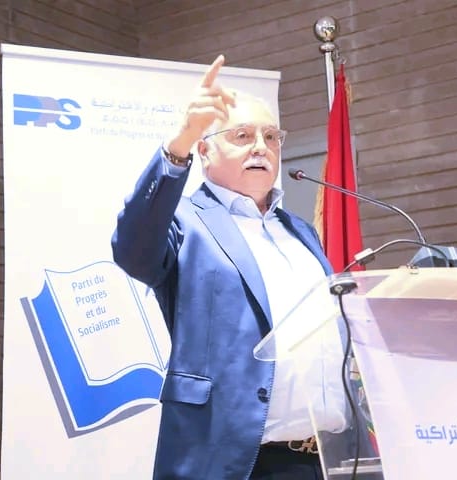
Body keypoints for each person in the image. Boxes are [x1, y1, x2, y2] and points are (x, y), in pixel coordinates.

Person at [112, 54, 341, 479]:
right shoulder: (184, 220)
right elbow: (133, 249)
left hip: (324, 460)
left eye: (271, 137)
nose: (261, 147)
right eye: (242, 135)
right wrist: (177, 145)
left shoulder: (301, 232)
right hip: (234, 462)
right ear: (204, 150)